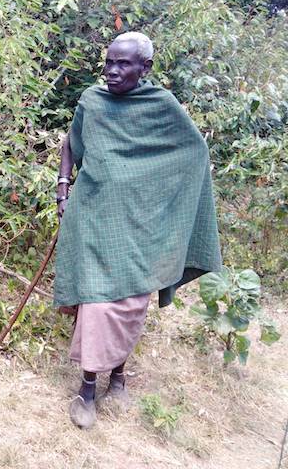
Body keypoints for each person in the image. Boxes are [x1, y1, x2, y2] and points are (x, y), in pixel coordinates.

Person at [54, 32, 222, 429]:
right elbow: (70, 145)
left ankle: (119, 376)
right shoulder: (92, 102)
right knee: (96, 300)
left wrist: (166, 203)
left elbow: (193, 152)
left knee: (130, 301)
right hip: (94, 218)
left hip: (143, 226)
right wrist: (63, 188)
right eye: (109, 62)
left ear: (145, 68)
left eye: (123, 64)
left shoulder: (161, 106)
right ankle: (88, 388)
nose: (112, 71)